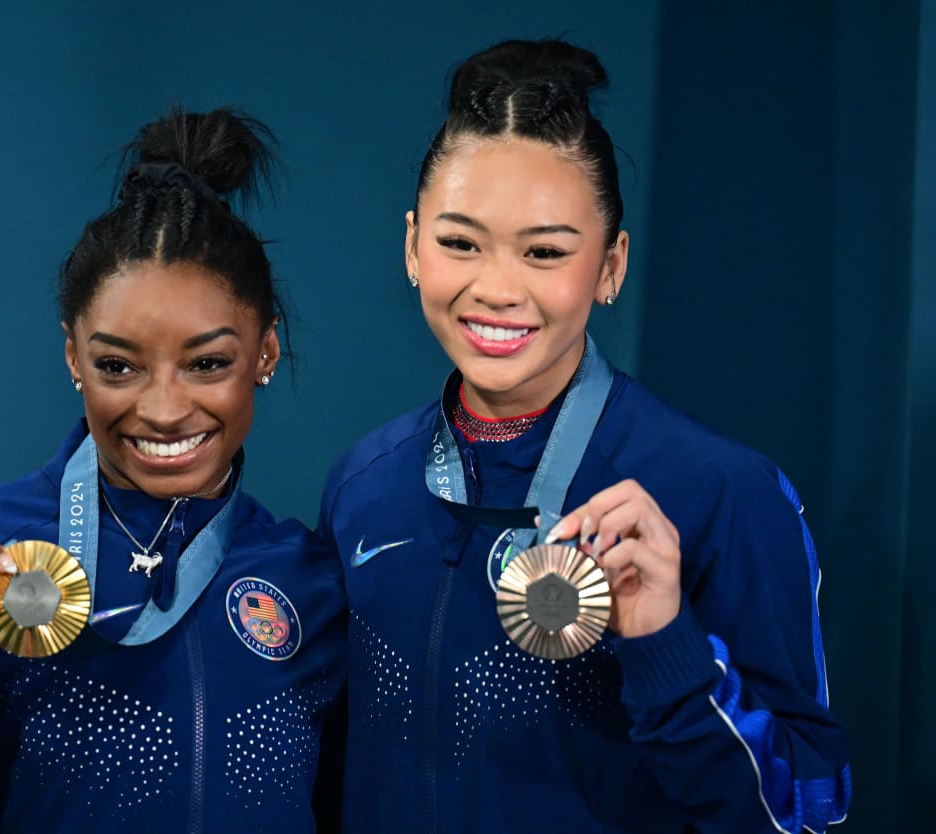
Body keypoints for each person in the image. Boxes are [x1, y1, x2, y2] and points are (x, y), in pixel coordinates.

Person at [317, 39, 851, 834]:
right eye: (460, 242)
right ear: (412, 248)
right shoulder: (364, 486)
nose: (497, 288)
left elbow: (809, 809)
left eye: (545, 252)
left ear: (610, 267)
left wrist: (666, 645)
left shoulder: (722, 493)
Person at [0, 107, 344, 833]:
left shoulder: (311, 584)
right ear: (74, 358)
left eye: (208, 363)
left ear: (265, 352)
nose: (163, 410)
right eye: (118, 365)